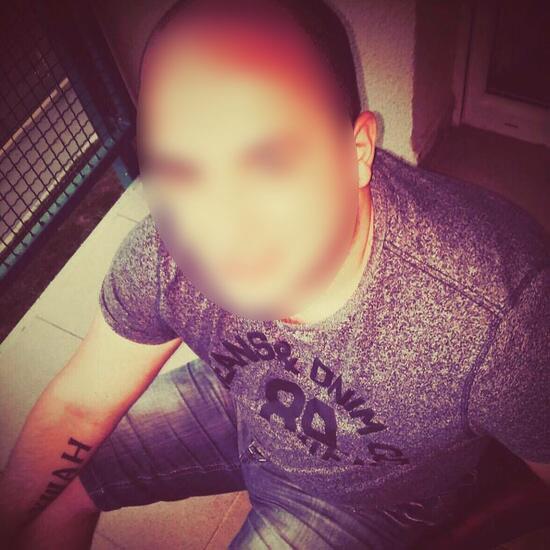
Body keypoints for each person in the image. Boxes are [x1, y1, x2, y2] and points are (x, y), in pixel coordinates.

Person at [1, 0, 549, 548]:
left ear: (357, 150)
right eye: (182, 170)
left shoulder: (497, 312)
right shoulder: (165, 250)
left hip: (372, 502)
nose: (221, 225)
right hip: (249, 399)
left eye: (269, 162)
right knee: (62, 482)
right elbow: (78, 407)